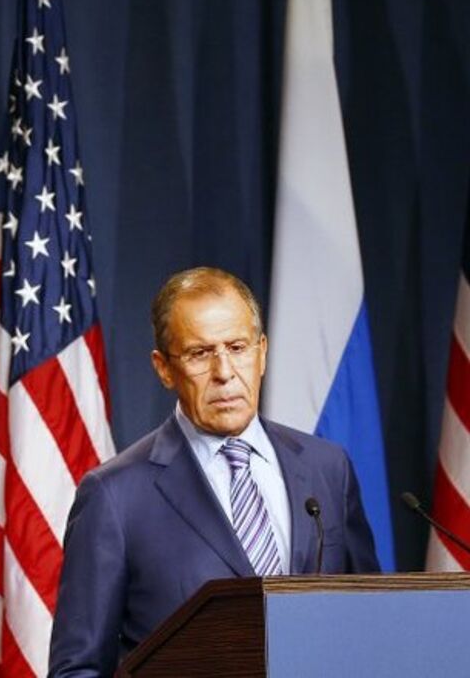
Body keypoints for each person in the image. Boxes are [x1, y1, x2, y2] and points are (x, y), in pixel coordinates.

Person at [48, 267, 379, 677]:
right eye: (200, 354)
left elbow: (369, 626)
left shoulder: (327, 468)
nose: (224, 373)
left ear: (262, 352)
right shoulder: (114, 496)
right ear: (164, 368)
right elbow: (77, 669)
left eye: (237, 347)